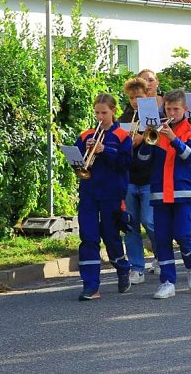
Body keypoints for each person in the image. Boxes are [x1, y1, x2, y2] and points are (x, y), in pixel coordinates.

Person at [138, 89, 191, 299]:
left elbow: (190, 157)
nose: (172, 112)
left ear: (184, 109)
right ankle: (167, 281)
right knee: (162, 238)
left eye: (176, 109)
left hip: (182, 192)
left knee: (183, 235)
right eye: (168, 108)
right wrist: (146, 137)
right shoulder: (158, 131)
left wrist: (174, 138)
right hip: (159, 193)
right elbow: (144, 160)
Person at [74, 93, 133, 301]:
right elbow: (77, 163)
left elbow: (126, 164)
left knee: (110, 236)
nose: (100, 117)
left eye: (104, 113)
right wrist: (82, 154)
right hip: (89, 191)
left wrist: (104, 150)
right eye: (97, 112)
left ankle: (122, 267)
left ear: (113, 111)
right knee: (88, 237)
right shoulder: (85, 135)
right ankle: (91, 285)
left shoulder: (123, 136)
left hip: (112, 192)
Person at [118, 77, 156, 284]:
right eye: (132, 98)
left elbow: (159, 142)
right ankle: (137, 267)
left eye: (139, 97)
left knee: (149, 220)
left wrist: (142, 136)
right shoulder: (124, 117)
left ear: (147, 95)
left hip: (150, 176)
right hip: (130, 177)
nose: (135, 102)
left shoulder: (154, 116)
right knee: (130, 224)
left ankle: (161, 255)